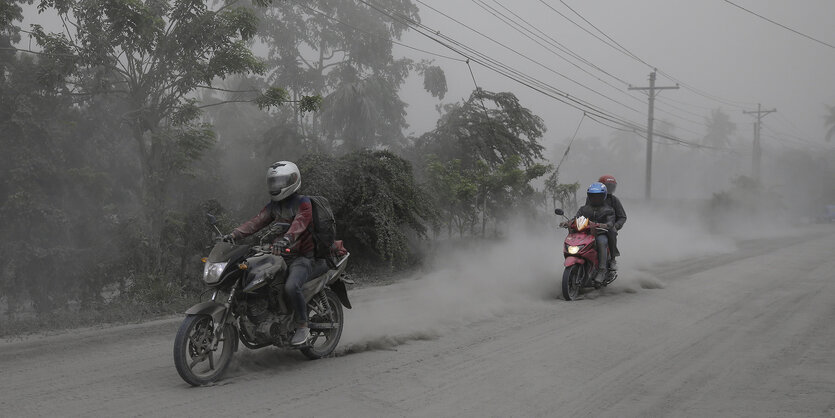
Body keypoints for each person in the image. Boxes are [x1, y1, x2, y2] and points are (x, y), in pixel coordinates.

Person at [222, 161, 326, 346]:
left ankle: (302, 325)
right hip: (279, 255)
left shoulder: (303, 203)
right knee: (253, 276)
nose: (277, 186)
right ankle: (266, 315)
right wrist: (234, 235)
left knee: (291, 286)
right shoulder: (273, 206)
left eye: (281, 182)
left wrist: (287, 239)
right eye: (274, 182)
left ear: (293, 181)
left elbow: (299, 225)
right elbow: (256, 222)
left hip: (302, 258)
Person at [569, 182, 616, 284]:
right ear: (589, 196)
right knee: (572, 241)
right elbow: (576, 218)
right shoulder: (584, 209)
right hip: (585, 233)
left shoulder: (608, 210)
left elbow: (611, 221)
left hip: (600, 233)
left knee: (602, 242)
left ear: (603, 197)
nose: (595, 198)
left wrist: (605, 225)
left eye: (598, 196)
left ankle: (602, 270)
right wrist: (568, 222)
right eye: (593, 196)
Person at [596, 175, 626, 270]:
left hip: (608, 226)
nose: (609, 189)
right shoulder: (592, 198)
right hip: (594, 226)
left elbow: (622, 217)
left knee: (612, 232)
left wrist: (615, 226)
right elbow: (585, 212)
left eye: (611, 187)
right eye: (607, 186)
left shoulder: (614, 200)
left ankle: (612, 259)